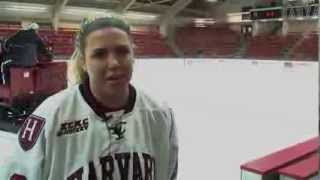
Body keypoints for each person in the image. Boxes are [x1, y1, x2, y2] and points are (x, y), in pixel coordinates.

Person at [0, 16, 178, 180]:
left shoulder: (160, 115)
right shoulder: (50, 118)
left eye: (123, 51)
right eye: (100, 54)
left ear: (133, 56)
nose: (114, 63)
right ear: (84, 62)